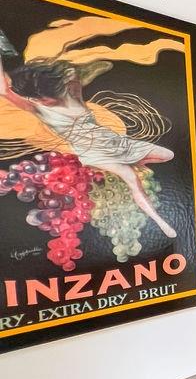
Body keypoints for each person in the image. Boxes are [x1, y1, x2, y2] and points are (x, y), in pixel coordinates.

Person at [0, 35, 177, 238]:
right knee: (132, 180)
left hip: (117, 142)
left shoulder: (73, 95)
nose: (40, 100)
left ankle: (132, 162)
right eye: (36, 98)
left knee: (168, 155)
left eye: (43, 96)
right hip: (93, 153)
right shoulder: (38, 109)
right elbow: (4, 90)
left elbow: (71, 72)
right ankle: (161, 223)